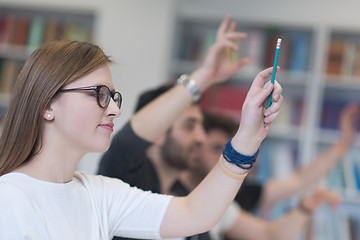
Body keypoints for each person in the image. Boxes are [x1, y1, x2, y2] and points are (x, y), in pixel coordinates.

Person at [0, 30, 282, 240]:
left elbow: (194, 214)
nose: (114, 109)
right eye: (99, 94)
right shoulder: (10, 199)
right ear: (47, 105)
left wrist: (247, 137)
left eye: (113, 97)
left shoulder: (97, 193)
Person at [97, 15, 254, 240]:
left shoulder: (184, 195)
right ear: (159, 131)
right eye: (190, 126)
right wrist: (204, 76)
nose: (201, 137)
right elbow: (129, 139)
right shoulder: (123, 176)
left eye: (201, 126)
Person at [199, 104, 359, 213]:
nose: (225, 157)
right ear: (196, 150)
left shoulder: (240, 191)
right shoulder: (184, 198)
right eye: (216, 148)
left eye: (228, 148)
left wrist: (343, 144)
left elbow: (297, 181)